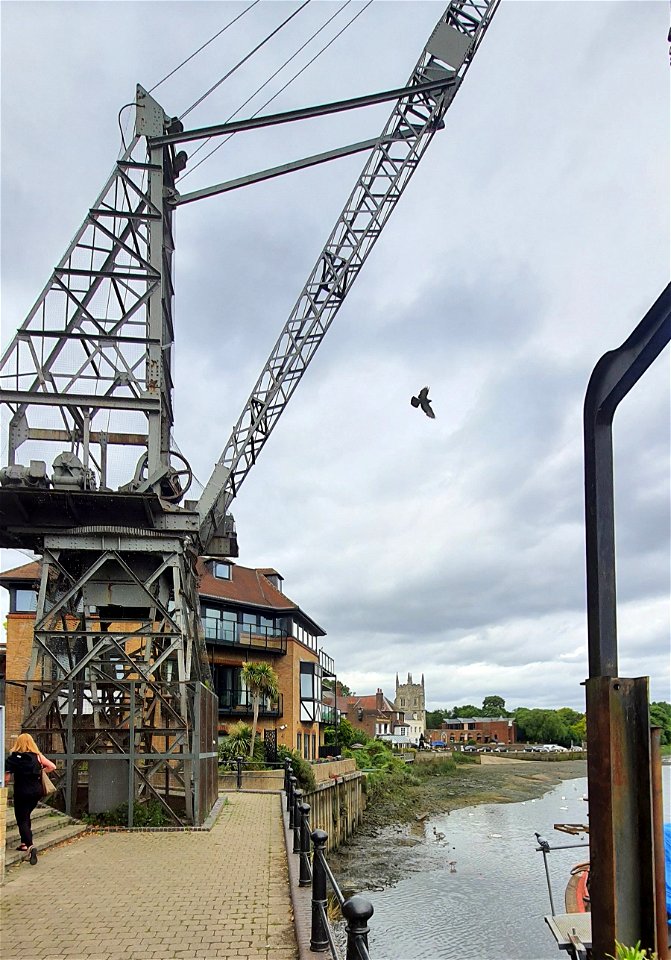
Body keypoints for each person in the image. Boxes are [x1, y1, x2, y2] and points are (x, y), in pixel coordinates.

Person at [4, 733, 57, 864]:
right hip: (36, 791)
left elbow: (6, 778)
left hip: (21, 792)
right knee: (26, 815)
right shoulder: (37, 756)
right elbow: (52, 766)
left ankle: (30, 846)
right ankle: (24, 843)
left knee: (21, 819)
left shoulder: (13, 758)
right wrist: (40, 771)